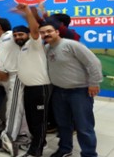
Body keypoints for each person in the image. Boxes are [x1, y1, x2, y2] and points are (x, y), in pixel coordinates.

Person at [39, 21, 102, 157]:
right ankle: (65, 149)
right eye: (42, 32)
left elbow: (93, 62)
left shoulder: (71, 45)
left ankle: (89, 154)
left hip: (79, 91)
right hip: (58, 91)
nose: (46, 34)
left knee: (84, 126)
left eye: (49, 31)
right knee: (63, 124)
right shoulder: (47, 48)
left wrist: (94, 82)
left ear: (57, 32)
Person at [13, 3, 52, 157]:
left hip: (40, 88)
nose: (17, 37)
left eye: (21, 34)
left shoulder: (34, 42)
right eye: (15, 35)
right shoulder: (22, 48)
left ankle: (36, 151)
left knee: (38, 121)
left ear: (28, 34)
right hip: (28, 88)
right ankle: (39, 142)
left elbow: (34, 28)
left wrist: (27, 11)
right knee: (31, 120)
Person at [0, 17, 30, 156]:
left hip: (17, 74)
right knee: (17, 107)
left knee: (13, 107)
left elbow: (25, 37)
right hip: (4, 76)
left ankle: (8, 137)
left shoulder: (11, 35)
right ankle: (24, 134)